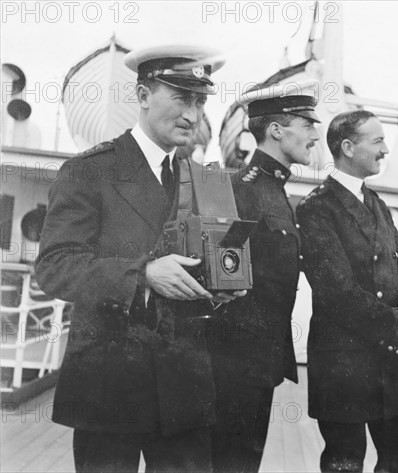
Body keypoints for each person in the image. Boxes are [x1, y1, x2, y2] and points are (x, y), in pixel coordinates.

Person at [35, 44, 244, 473]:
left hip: (185, 384)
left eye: (201, 100)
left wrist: (226, 285)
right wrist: (143, 275)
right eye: (182, 97)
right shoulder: (89, 172)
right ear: (144, 95)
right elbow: (55, 266)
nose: (193, 113)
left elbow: (218, 260)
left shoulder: (203, 180)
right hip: (112, 385)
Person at [296, 110, 398, 473]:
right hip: (343, 365)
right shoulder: (316, 210)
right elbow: (338, 294)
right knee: (345, 462)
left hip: (389, 363)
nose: (385, 149)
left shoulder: (380, 207)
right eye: (377, 141)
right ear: (348, 147)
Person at [208, 84, 321, 473]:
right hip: (231, 364)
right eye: (306, 124)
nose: (315, 134)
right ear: (275, 130)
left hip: (258, 363)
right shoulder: (242, 191)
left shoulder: (275, 192)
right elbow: (220, 277)